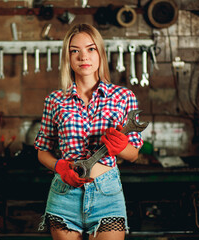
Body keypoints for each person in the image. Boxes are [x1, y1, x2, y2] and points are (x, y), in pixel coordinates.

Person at [34, 23, 144, 240]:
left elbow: (134, 154)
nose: (83, 57)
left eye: (91, 49)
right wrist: (60, 166)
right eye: (75, 51)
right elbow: (42, 151)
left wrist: (122, 147)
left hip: (107, 194)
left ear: (100, 53)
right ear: (68, 57)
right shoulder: (55, 100)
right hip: (64, 194)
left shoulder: (123, 97)